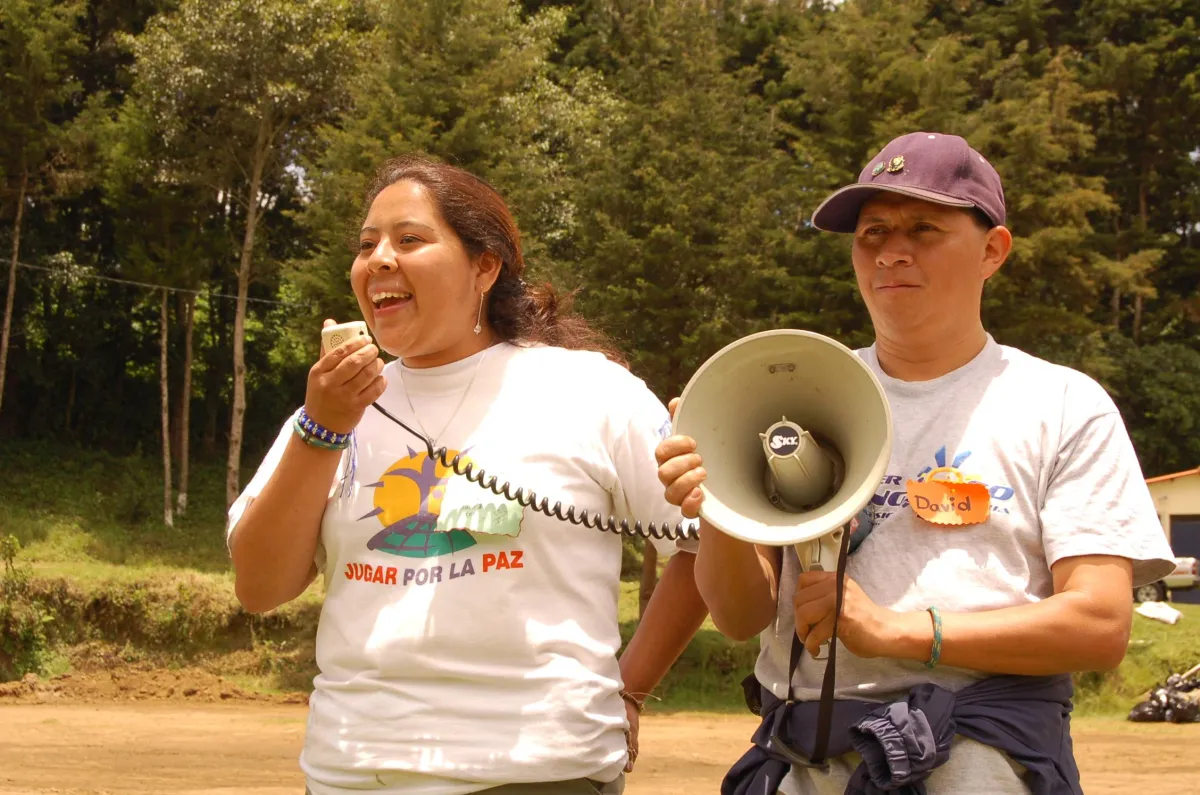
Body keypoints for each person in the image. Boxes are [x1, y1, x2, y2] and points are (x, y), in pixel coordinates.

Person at [654, 131, 1177, 794]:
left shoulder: (1062, 404)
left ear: (994, 250)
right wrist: (718, 502)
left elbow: (1099, 623)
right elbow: (737, 616)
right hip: (804, 756)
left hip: (976, 757)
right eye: (871, 232)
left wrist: (898, 631)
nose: (890, 251)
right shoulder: (795, 390)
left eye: (924, 227)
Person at [225, 154, 707, 795]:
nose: (380, 260)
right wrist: (324, 429)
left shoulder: (587, 389)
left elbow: (705, 541)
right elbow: (259, 586)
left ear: (485, 266)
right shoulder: (332, 407)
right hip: (349, 772)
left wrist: (632, 686)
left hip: (536, 773)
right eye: (367, 245)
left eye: (410, 239)